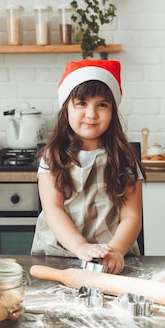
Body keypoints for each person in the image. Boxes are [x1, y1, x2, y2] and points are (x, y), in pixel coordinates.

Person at [31, 60, 146, 274]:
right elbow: (53, 210)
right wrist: (80, 246)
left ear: (113, 111)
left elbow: (132, 216)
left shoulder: (124, 159)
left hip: (111, 259)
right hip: (58, 257)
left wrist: (116, 250)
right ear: (66, 108)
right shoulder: (52, 157)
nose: (91, 114)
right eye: (82, 103)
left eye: (102, 104)